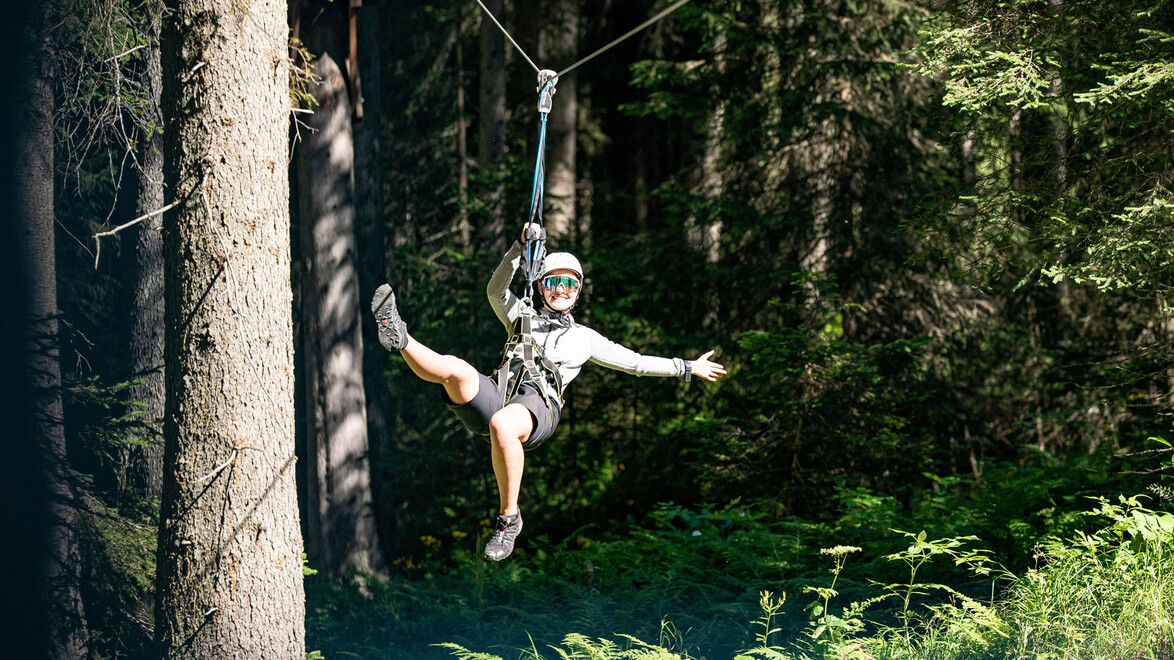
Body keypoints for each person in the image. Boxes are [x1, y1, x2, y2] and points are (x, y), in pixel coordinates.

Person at [371, 225, 727, 561]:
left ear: (577, 292)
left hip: (539, 406)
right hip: (501, 391)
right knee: (456, 371)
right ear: (541, 286)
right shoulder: (520, 315)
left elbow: (634, 362)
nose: (561, 290)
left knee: (503, 424)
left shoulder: (584, 338)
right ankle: (400, 337)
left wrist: (686, 366)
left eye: (569, 285)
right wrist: (518, 248)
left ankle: (509, 519)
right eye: (555, 282)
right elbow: (495, 291)